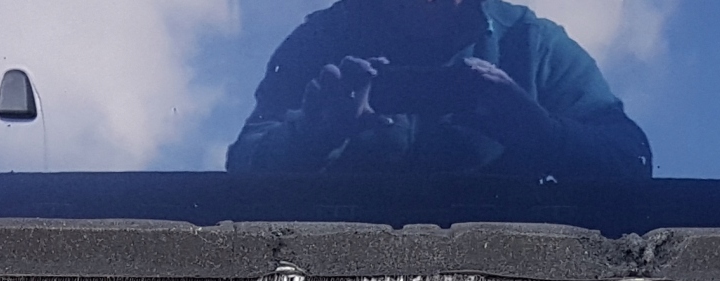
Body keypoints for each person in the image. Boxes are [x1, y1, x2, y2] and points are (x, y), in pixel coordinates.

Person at [227, 0, 651, 181]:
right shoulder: (320, 39)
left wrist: (541, 131)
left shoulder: (532, 43)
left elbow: (631, 159)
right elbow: (244, 163)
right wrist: (310, 134)